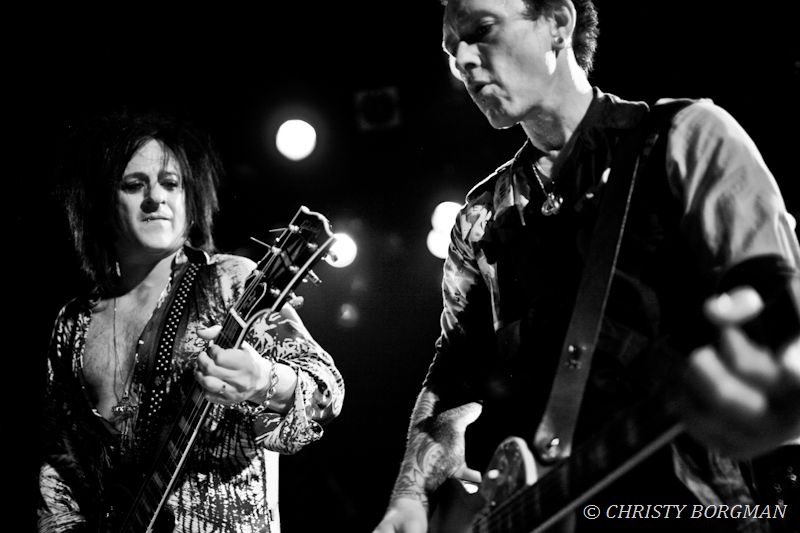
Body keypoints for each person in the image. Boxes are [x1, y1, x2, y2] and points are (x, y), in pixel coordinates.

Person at [374, 0, 800, 532]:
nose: (462, 60)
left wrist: (778, 380)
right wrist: (410, 497)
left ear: (558, 24)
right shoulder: (479, 218)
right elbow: (454, 373)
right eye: (450, 49)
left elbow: (776, 305)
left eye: (480, 30)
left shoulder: (684, 136)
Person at [37, 111, 345, 533]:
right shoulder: (73, 323)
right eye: (134, 185)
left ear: (190, 199)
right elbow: (58, 463)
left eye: (171, 183)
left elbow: (327, 389)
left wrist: (265, 380)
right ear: (103, 202)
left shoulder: (231, 282)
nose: (155, 198)